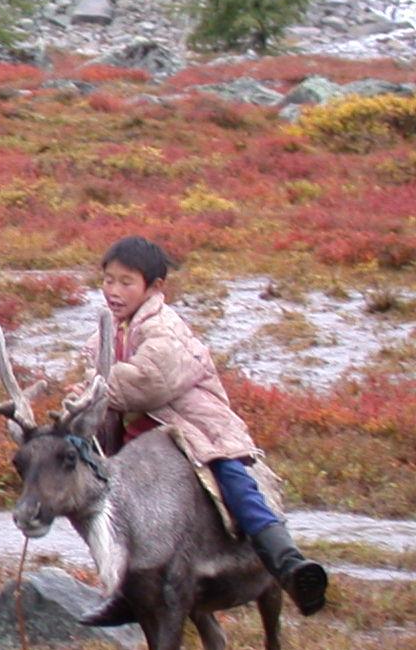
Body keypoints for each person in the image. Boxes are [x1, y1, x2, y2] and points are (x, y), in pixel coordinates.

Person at [82, 234, 329, 620]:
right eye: (108, 280)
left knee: (232, 480)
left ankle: (287, 563)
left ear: (154, 287)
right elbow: (92, 378)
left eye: (126, 282)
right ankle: (125, 586)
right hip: (139, 442)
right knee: (103, 496)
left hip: (194, 427)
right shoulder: (106, 331)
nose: (114, 290)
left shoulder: (164, 328)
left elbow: (149, 383)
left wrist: (97, 389)